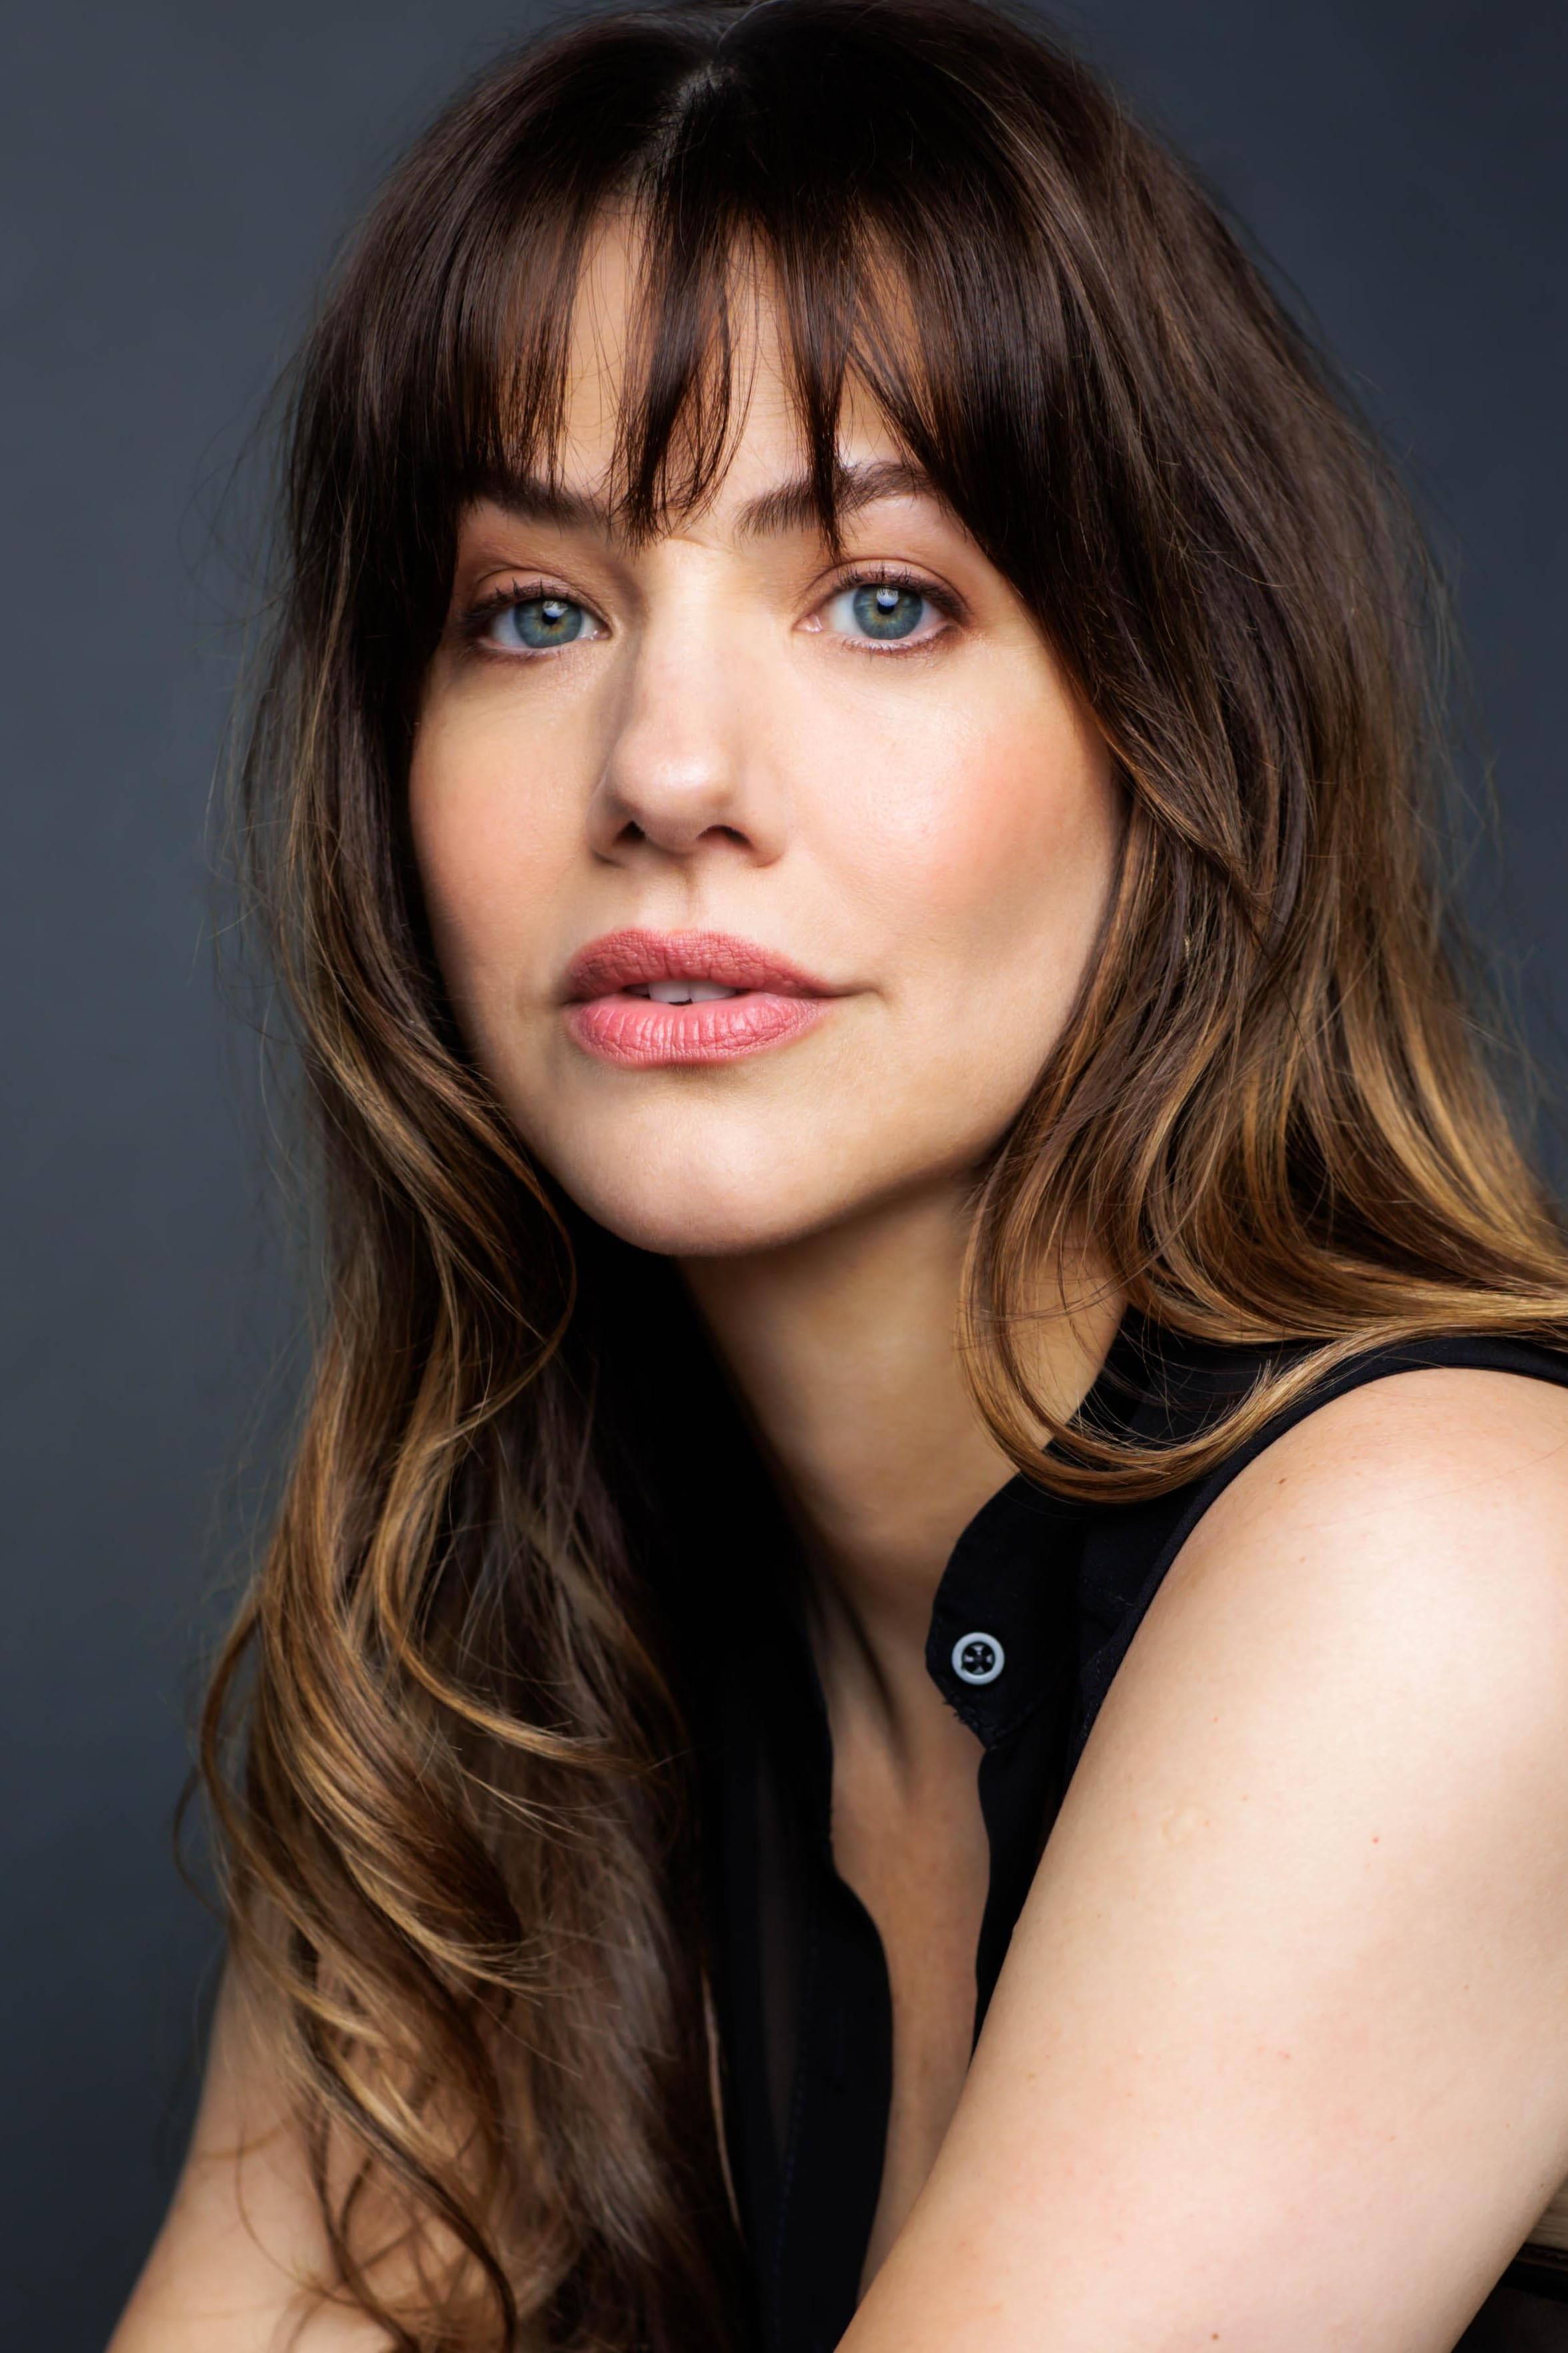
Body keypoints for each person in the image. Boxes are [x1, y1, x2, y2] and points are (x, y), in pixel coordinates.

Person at [109, 1, 1568, 2346]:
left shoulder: (1467, 1568)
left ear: (1179, 726)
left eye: (884, 598)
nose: (667, 771)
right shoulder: (488, 1687)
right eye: (534, 611)